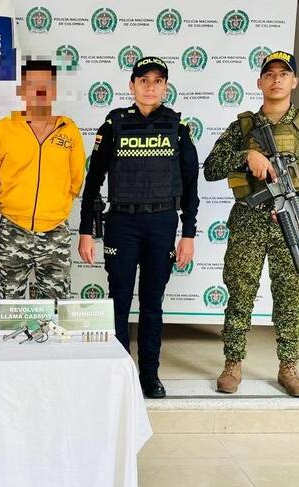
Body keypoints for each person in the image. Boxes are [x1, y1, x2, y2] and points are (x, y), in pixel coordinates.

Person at [204, 51, 299, 397]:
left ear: (295, 82)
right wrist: (246, 155)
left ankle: (288, 366)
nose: (276, 79)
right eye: (270, 74)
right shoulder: (242, 128)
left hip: (290, 224)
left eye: (284, 74)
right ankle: (233, 363)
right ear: (260, 82)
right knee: (240, 294)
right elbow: (212, 168)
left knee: (289, 299)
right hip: (248, 223)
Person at [78, 57, 200, 398]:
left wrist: (189, 233)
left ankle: (149, 375)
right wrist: (85, 229)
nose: (150, 87)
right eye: (143, 80)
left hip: (162, 223)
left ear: (165, 87)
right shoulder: (114, 124)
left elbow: (191, 184)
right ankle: (120, 375)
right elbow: (93, 181)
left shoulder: (177, 127)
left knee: (152, 302)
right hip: (122, 222)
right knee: (118, 300)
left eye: (157, 81)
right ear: (131, 85)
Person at [0, 60, 85, 299]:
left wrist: (53, 208)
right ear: (22, 90)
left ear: (54, 90)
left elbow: (75, 181)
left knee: (56, 309)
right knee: (11, 307)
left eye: (45, 84)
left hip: (55, 231)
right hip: (13, 230)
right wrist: (14, 207)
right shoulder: (2, 131)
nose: (39, 90)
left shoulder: (69, 130)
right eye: (32, 84)